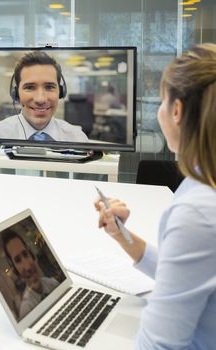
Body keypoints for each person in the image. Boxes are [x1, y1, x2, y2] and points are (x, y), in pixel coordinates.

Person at [94, 43, 216, 349]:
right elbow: (188, 274)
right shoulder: (201, 182)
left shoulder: (198, 208)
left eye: (162, 101)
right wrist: (123, 237)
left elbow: (159, 345)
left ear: (176, 111)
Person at [0, 51, 88, 142]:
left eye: (49, 87)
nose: (40, 99)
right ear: (16, 94)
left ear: (61, 92)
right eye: (30, 87)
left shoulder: (78, 138)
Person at [2, 230, 60, 319]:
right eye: (18, 260)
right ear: (15, 270)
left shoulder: (53, 283)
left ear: (31, 255)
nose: (28, 267)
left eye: (25, 254)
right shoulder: (26, 310)